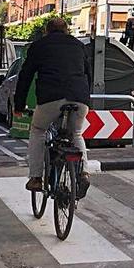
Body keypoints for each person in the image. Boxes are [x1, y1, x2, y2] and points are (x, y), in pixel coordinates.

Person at [13, 17, 92, 193]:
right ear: (66, 30)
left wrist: (19, 106)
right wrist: (87, 100)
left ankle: (36, 178)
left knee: (38, 131)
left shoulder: (39, 46)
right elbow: (88, 74)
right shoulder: (78, 45)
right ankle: (84, 173)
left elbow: (25, 77)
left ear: (47, 31)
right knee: (76, 133)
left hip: (51, 98)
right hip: (79, 97)